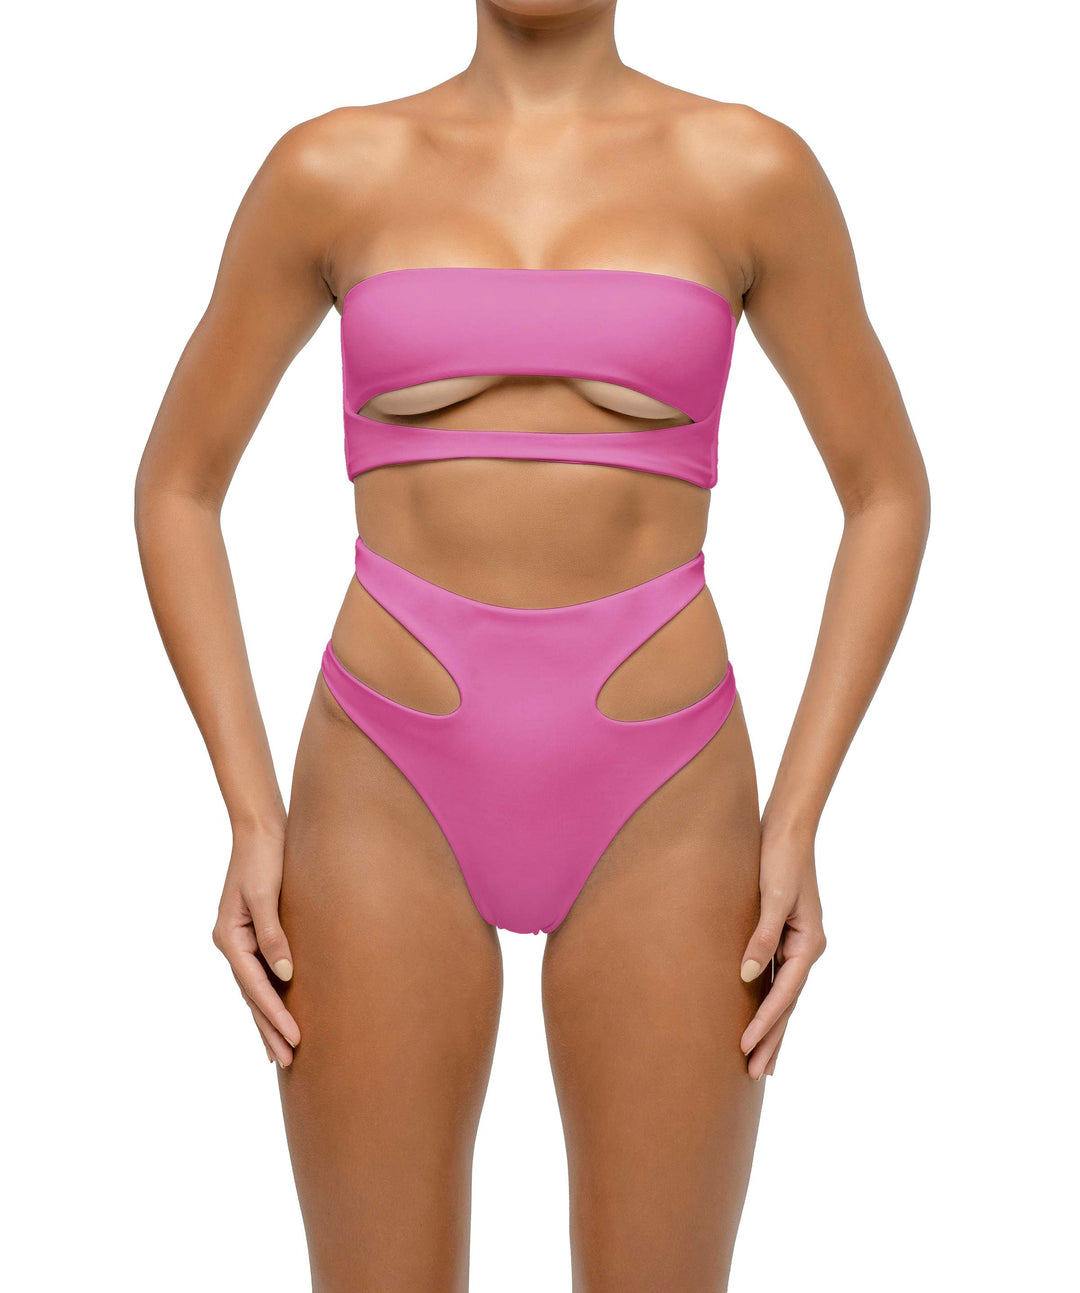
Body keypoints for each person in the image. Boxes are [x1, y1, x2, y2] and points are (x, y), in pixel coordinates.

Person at [134, 1, 930, 1287]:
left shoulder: (749, 171)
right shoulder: (331, 170)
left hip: (666, 794)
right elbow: (177, 486)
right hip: (385, 781)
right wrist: (248, 811)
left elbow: (887, 491)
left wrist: (796, 822)